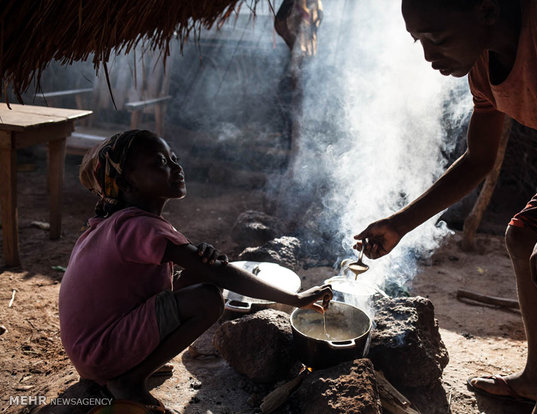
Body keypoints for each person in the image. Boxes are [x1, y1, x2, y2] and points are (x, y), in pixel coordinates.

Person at [354, 0, 537, 413]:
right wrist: (400, 224)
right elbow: (478, 159)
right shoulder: (483, 70)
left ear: (488, 11)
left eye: (436, 39)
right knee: (523, 235)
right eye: (418, 41)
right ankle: (535, 379)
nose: (427, 55)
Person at [58, 130, 332, 412]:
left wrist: (203, 263)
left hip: (93, 348)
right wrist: (296, 299)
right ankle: (129, 379)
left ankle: (131, 366)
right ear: (128, 181)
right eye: (160, 163)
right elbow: (221, 274)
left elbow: (198, 270)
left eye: (173, 158)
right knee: (208, 299)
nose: (176, 167)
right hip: (101, 352)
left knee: (196, 277)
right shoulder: (139, 226)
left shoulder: (120, 223)